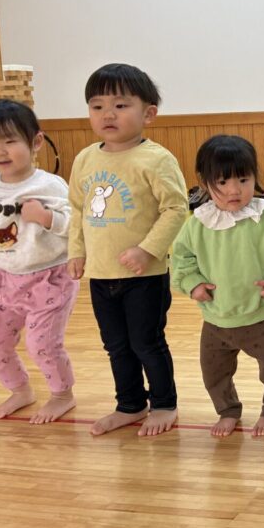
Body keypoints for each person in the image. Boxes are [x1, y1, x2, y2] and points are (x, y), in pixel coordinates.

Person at [67, 63, 188, 437]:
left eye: (120, 105)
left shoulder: (156, 159)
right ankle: (130, 405)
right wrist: (76, 252)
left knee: (147, 343)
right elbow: (76, 209)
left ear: (148, 113)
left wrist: (148, 250)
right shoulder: (85, 159)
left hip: (144, 276)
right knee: (116, 346)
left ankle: (164, 404)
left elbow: (176, 208)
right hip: (101, 275)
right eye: (97, 106)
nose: (107, 114)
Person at [0, 99, 78, 423]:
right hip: (6, 280)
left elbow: (76, 224)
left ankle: (62, 395)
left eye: (9, 141)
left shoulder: (49, 185)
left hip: (49, 278)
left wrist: (47, 217)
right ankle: (20, 390)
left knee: (41, 343)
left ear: (36, 142)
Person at [173, 135, 264, 437]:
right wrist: (192, 284)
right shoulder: (198, 223)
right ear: (205, 182)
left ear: (254, 177)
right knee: (214, 372)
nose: (234, 190)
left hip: (263, 317)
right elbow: (181, 259)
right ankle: (227, 410)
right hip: (216, 318)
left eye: (243, 180)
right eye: (223, 182)